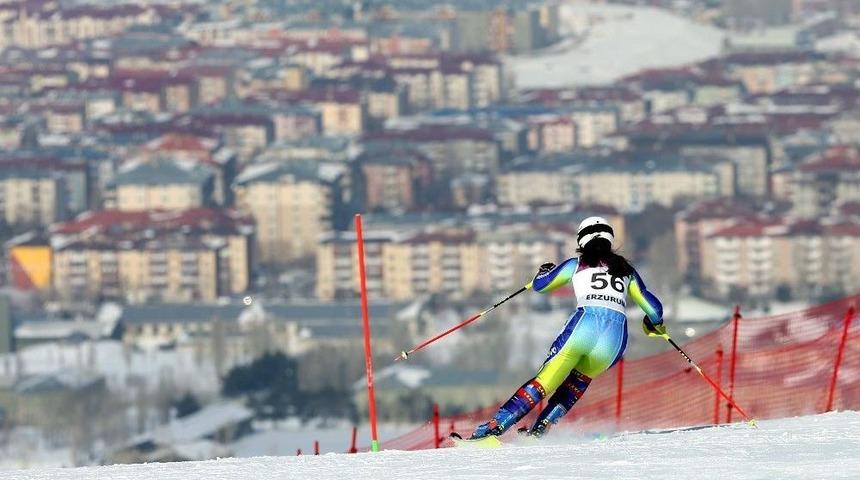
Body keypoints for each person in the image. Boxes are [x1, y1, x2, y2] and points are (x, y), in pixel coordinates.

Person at [470, 216, 666, 439]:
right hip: (614, 341)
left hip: (585, 326)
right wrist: (653, 324)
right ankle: (540, 430)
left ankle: (494, 428)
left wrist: (543, 272)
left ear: (582, 240)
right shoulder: (626, 271)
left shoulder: (576, 264)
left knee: (545, 382)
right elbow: (654, 308)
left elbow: (541, 285)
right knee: (576, 383)